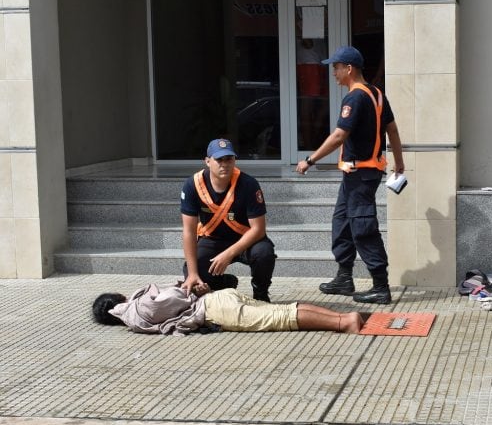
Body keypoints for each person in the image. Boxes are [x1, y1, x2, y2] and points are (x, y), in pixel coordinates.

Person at [295, 46, 405, 305]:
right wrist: (399, 162)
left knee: (363, 226)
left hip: (362, 173)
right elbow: (393, 130)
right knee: (342, 223)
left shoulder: (355, 98)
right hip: (358, 173)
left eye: (336, 67)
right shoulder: (377, 94)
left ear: (349, 68)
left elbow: (338, 136)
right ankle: (344, 278)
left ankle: (380, 287)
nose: (333, 72)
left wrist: (310, 160)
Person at [180, 138, 276, 302]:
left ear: (234, 160)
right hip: (212, 239)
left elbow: (258, 229)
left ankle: (261, 294)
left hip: (246, 240)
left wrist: (228, 254)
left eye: (228, 159)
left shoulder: (248, 184)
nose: (224, 164)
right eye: (219, 159)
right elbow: (188, 231)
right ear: (208, 161)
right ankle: (224, 283)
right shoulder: (192, 185)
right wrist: (193, 274)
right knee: (192, 271)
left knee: (264, 253)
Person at [92, 281, 363, 335]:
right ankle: (342, 317)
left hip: (214, 310)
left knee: (281, 317)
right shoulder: (136, 308)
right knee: (282, 310)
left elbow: (174, 302)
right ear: (117, 298)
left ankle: (342, 323)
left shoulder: (136, 314)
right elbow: (174, 298)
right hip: (217, 302)